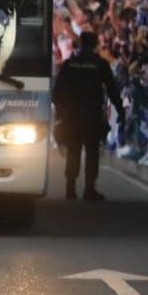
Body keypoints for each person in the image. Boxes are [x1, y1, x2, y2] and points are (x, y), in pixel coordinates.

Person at [52, 29, 124, 200]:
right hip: (92, 114)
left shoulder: (70, 64)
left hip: (72, 114)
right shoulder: (100, 64)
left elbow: (57, 92)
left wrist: (61, 113)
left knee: (73, 150)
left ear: (81, 43)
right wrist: (120, 110)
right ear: (95, 45)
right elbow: (113, 89)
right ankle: (89, 189)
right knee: (92, 152)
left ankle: (70, 189)